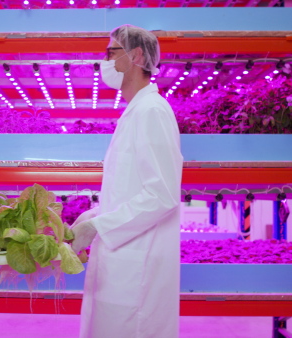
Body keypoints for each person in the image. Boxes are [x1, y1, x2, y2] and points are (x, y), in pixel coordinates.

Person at [71, 24, 183, 338]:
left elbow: (161, 195)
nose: (105, 61)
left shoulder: (152, 111)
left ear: (135, 56)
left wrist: (98, 227)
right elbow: (132, 189)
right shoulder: (136, 111)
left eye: (110, 52)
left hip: (137, 273)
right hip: (122, 265)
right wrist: (95, 215)